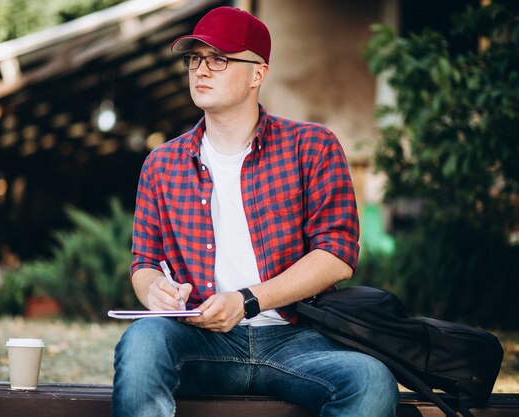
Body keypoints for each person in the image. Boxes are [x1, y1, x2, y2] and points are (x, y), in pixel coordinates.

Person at [113, 6, 398, 417]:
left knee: (371, 381)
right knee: (141, 341)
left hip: (298, 340)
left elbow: (336, 256)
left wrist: (247, 301)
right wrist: (155, 290)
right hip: (201, 341)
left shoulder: (313, 147)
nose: (201, 71)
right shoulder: (162, 163)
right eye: (194, 59)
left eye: (219, 59)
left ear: (258, 73)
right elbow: (143, 263)